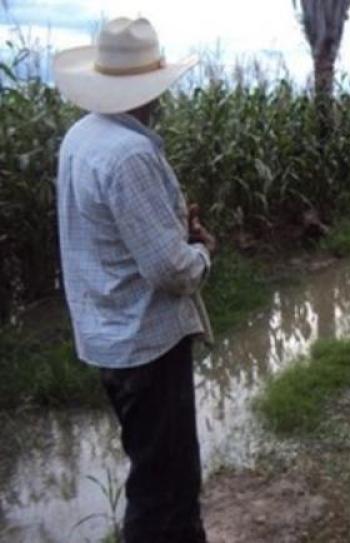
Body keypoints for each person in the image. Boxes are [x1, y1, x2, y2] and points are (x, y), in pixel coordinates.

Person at [53, 17, 214, 543]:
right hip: (146, 344)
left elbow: (115, 235)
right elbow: (170, 271)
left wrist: (173, 232)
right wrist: (202, 252)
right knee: (166, 487)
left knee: (151, 469)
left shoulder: (82, 136)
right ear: (152, 88)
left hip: (106, 337)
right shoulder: (131, 154)